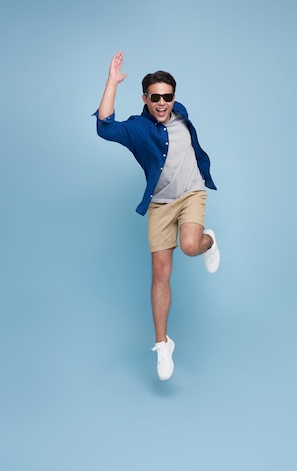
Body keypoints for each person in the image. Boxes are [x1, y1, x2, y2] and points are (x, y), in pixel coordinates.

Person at [94, 50, 220, 381]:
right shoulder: (137, 129)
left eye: (167, 97)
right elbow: (105, 127)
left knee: (191, 246)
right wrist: (111, 82)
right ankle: (163, 344)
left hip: (191, 192)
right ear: (145, 99)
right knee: (160, 272)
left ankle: (209, 242)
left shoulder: (181, 113)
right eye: (155, 98)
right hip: (161, 204)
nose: (162, 103)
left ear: (174, 98)